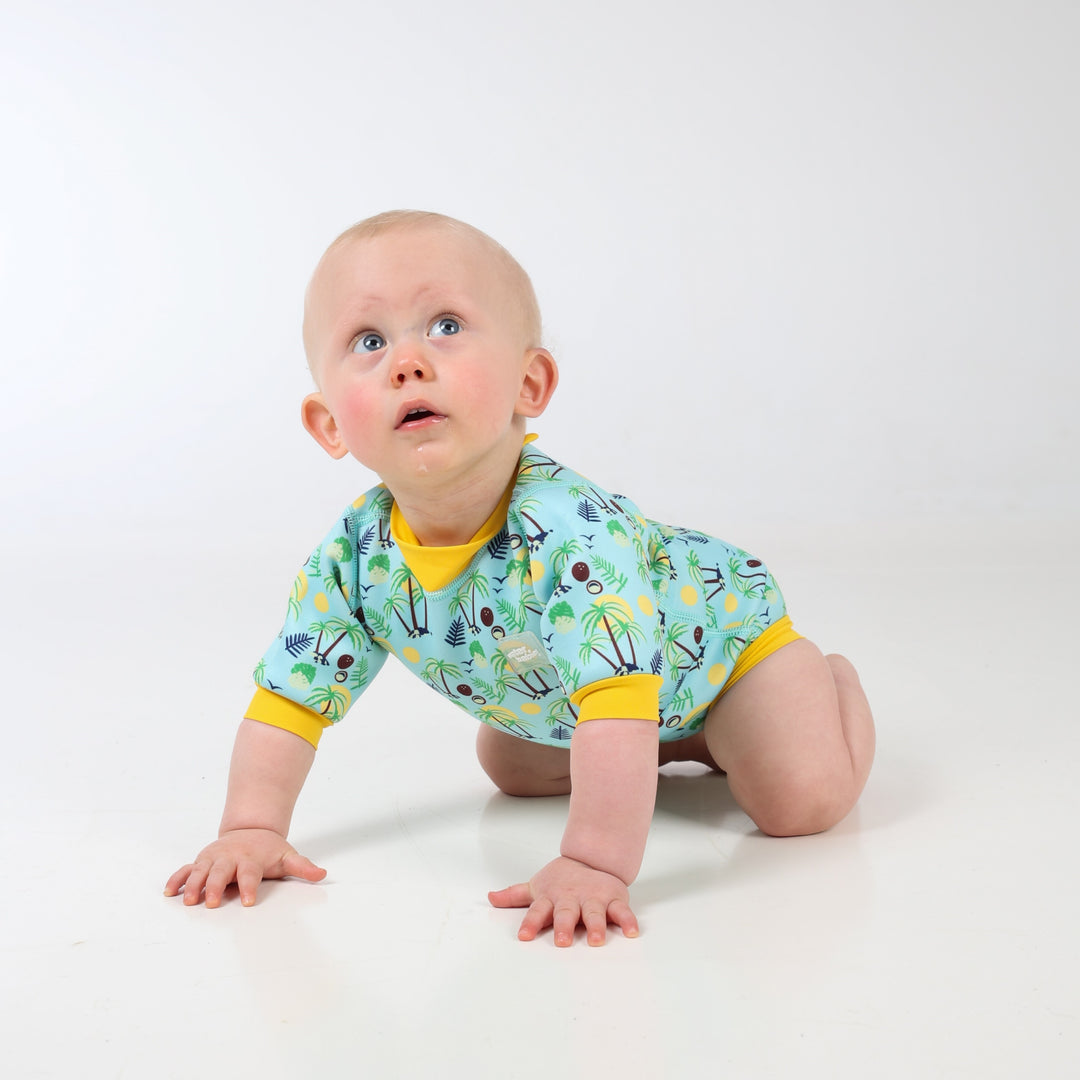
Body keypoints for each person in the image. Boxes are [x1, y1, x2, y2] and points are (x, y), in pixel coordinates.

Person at [164, 210, 875, 947]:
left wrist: (592, 862)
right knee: (512, 763)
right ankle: (676, 741)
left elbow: (617, 688)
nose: (407, 361)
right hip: (585, 698)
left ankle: (823, 686)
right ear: (330, 425)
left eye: (444, 326)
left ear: (528, 383)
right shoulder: (355, 556)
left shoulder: (569, 531)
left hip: (728, 653)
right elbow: (290, 697)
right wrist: (250, 827)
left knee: (800, 801)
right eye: (369, 341)